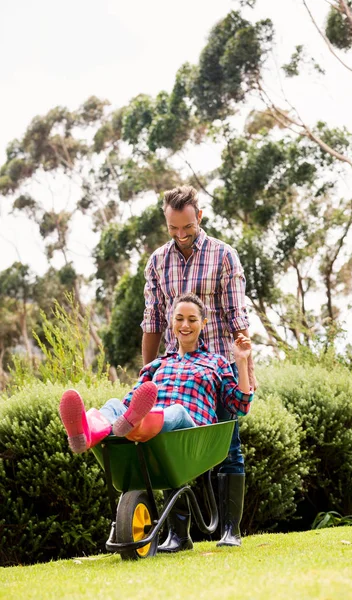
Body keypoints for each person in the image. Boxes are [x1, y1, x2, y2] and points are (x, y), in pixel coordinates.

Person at [141, 185, 257, 550]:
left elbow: (237, 316)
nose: (180, 235)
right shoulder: (158, 262)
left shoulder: (224, 256)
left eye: (187, 227)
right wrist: (148, 376)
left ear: (199, 217)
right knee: (172, 446)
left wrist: (245, 371)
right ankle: (178, 535)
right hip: (176, 371)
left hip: (218, 369)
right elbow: (153, 320)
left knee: (230, 447)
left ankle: (230, 530)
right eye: (173, 228)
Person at [59, 293, 254, 460]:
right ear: (172, 321)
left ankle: (138, 426)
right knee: (114, 405)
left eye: (192, 320)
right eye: (179, 318)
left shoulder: (216, 363)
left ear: (203, 323)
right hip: (154, 437)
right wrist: (121, 412)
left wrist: (242, 361)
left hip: (190, 437)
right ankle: (85, 434)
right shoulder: (157, 365)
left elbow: (240, 406)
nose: (185, 325)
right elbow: (130, 402)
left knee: (177, 411)